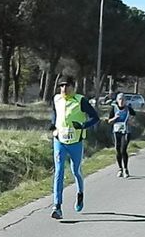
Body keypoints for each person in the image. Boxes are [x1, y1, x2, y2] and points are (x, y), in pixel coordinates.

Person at [49, 75, 100, 219]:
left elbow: (95, 118)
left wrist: (83, 126)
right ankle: (57, 206)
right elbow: (55, 113)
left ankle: (80, 193)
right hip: (59, 140)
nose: (64, 89)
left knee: (75, 170)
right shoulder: (57, 99)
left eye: (67, 86)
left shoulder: (80, 100)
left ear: (73, 87)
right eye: (61, 86)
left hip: (76, 142)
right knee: (59, 171)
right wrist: (53, 124)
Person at [107, 92, 136, 178]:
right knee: (118, 150)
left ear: (125, 101)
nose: (121, 101)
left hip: (126, 131)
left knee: (123, 150)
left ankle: (126, 169)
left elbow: (134, 118)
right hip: (116, 132)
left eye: (123, 99)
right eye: (120, 99)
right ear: (117, 100)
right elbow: (109, 121)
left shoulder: (129, 109)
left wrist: (131, 122)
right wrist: (115, 118)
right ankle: (120, 169)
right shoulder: (114, 108)